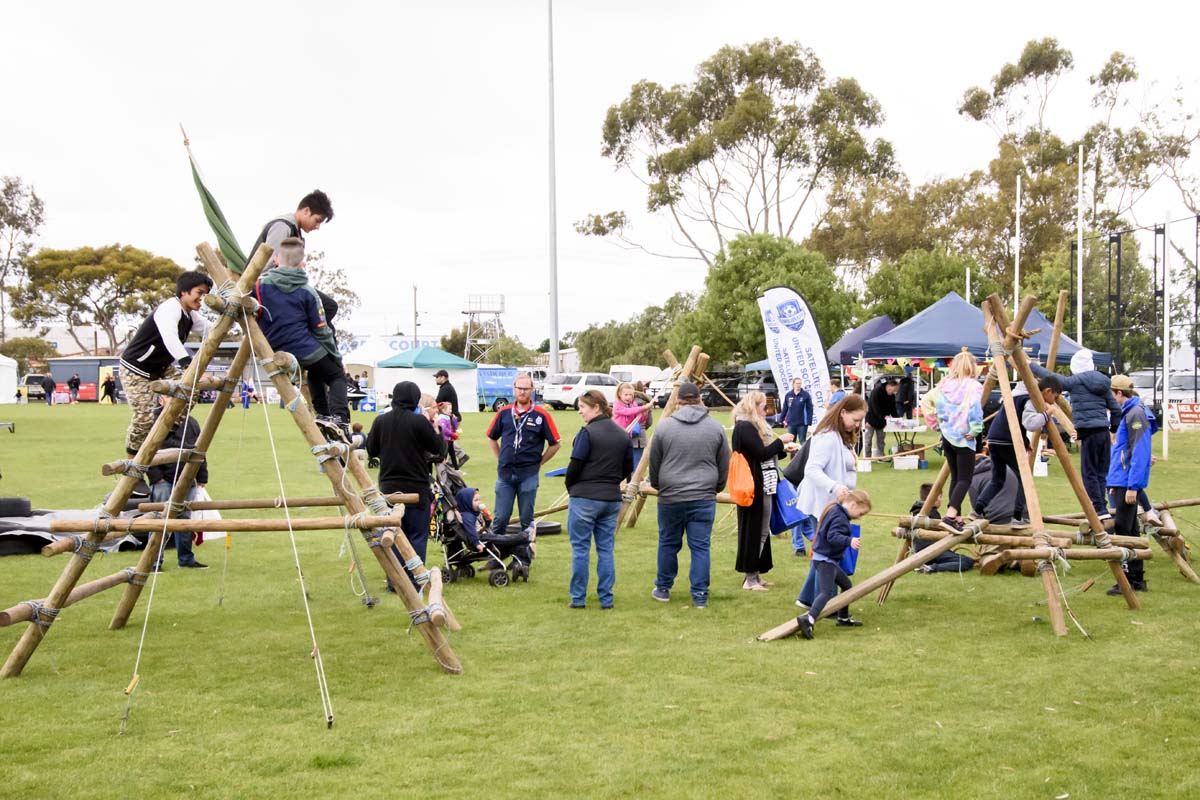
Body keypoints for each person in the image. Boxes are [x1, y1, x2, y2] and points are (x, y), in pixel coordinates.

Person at [253, 237, 350, 442]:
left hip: (272, 347)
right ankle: (339, 419)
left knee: (316, 371)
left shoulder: (259, 285)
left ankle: (323, 415)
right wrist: (336, 356)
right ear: (301, 263)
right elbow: (321, 329)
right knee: (336, 376)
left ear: (277, 260)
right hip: (304, 347)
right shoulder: (307, 291)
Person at [648, 381, 730, 607]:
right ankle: (700, 595)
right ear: (700, 399)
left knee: (668, 542)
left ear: (678, 400)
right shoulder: (715, 428)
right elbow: (724, 462)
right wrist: (717, 486)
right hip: (703, 494)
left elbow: (654, 462)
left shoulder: (664, 428)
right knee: (700, 546)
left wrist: (658, 485)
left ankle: (663, 588)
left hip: (671, 495)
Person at [119, 270, 213, 455]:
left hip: (160, 367)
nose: (201, 298)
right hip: (136, 368)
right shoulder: (170, 309)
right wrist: (187, 364)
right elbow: (169, 337)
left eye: (205, 294)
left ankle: (163, 430)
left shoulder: (190, 315)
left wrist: (232, 318)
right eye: (199, 293)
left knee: (190, 390)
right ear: (184, 292)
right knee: (142, 419)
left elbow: (211, 330)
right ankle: (132, 461)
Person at [366, 381, 446, 590]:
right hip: (416, 485)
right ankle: (415, 579)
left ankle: (395, 581)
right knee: (416, 534)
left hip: (389, 485)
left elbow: (371, 450)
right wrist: (436, 428)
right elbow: (439, 450)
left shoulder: (380, 421)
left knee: (392, 533)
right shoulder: (419, 422)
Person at [1031, 349, 1121, 519]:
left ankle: (1099, 509)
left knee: (1089, 473)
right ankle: (1102, 505)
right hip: (1103, 431)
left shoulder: (1075, 381)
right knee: (1101, 472)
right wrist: (1113, 431)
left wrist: (1029, 365)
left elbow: (1049, 376)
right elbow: (1116, 410)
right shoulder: (1103, 384)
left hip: (1088, 432)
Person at [795, 394, 866, 609]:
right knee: (830, 551)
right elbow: (812, 469)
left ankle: (807, 598)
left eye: (860, 421)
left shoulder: (839, 436)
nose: (857, 425)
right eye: (855, 420)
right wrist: (835, 487)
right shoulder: (827, 438)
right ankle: (826, 601)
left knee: (823, 551)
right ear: (843, 413)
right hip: (825, 502)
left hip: (834, 502)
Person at [564, 391, 632, 609]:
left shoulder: (587, 433)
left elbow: (575, 464)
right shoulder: (622, 434)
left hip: (585, 496)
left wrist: (572, 486)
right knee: (605, 549)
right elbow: (628, 467)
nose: (579, 411)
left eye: (582, 407)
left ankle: (578, 598)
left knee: (581, 549)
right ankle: (606, 598)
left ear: (596, 407)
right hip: (611, 498)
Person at [973, 374, 1063, 527]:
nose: (1054, 400)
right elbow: (1029, 423)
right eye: (1055, 396)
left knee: (998, 479)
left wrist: (1025, 441)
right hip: (1007, 441)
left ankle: (978, 509)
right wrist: (1047, 415)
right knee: (1024, 478)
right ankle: (1018, 516)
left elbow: (1013, 421)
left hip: (994, 438)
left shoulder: (1014, 396)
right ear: (1047, 391)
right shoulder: (1029, 399)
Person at [732, 390, 797, 591]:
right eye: (764, 407)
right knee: (756, 530)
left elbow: (765, 454)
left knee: (761, 529)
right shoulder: (745, 427)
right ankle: (750, 578)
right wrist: (781, 442)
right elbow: (761, 454)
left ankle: (756, 574)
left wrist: (782, 450)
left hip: (765, 481)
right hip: (754, 485)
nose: (766, 411)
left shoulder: (753, 427)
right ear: (755, 407)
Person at [486, 373, 560, 535]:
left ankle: (524, 556)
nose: (522, 392)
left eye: (526, 389)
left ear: (532, 389)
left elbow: (555, 443)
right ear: (514, 389)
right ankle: (495, 554)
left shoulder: (541, 415)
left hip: (528, 474)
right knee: (501, 518)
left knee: (526, 519)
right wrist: (500, 458)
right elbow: (492, 437)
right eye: (519, 388)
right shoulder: (503, 413)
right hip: (505, 474)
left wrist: (540, 462)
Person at [797, 489, 872, 639]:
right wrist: (849, 541)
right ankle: (809, 619)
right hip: (825, 560)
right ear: (853, 504)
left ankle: (843, 618)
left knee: (847, 586)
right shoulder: (840, 517)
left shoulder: (836, 510)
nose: (860, 517)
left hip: (825, 558)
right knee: (825, 592)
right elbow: (832, 536)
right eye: (861, 513)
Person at [921, 352, 983, 533]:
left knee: (956, 477)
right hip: (964, 437)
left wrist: (936, 424)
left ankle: (955, 517)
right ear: (972, 367)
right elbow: (975, 410)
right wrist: (975, 429)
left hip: (947, 436)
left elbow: (927, 402)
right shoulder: (973, 386)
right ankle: (950, 515)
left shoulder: (944, 385)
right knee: (965, 478)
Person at [1105, 374, 1156, 594]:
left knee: (1123, 531)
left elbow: (1139, 452)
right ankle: (1137, 579)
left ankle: (1126, 580)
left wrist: (1133, 486)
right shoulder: (1130, 412)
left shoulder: (1135, 414)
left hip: (1127, 482)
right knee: (1131, 530)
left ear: (1118, 393)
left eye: (1111, 393)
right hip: (1122, 479)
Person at [147, 399, 209, 570]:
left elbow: (200, 450)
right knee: (159, 521)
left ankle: (186, 559)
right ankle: (153, 562)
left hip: (188, 479)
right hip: (164, 480)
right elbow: (145, 451)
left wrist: (202, 476)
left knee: (184, 521)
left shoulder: (191, 422)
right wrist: (156, 477)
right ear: (161, 399)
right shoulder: (155, 421)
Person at [910, 483, 977, 573]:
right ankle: (932, 568)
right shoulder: (932, 513)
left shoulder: (917, 511)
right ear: (935, 497)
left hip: (919, 551)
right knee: (966, 561)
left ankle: (929, 566)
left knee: (954, 557)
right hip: (931, 551)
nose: (941, 500)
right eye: (940, 497)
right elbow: (944, 532)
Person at [611, 381, 653, 469]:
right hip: (617, 434)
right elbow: (627, 412)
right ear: (619, 394)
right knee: (617, 458)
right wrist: (642, 408)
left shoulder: (633, 404)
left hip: (627, 436)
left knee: (629, 459)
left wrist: (644, 413)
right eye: (626, 395)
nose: (628, 397)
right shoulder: (617, 404)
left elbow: (638, 419)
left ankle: (628, 478)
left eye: (630, 395)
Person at [865, 378, 899, 458]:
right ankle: (867, 457)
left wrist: (897, 418)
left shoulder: (891, 396)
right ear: (889, 386)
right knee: (868, 440)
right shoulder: (876, 392)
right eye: (894, 390)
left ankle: (880, 456)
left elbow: (893, 408)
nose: (894, 392)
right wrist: (883, 416)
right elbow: (875, 407)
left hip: (882, 421)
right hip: (871, 419)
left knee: (881, 440)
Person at [781, 378, 814, 444]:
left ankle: (803, 454)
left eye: (800, 383)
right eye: (797, 383)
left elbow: (810, 408)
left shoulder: (806, 395)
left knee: (802, 441)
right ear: (793, 384)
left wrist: (809, 420)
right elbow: (785, 407)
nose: (798, 385)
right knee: (791, 442)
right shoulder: (788, 395)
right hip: (791, 422)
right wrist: (781, 418)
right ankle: (793, 455)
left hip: (802, 423)